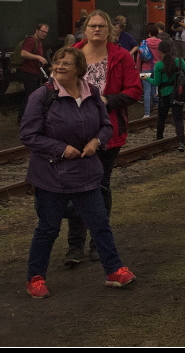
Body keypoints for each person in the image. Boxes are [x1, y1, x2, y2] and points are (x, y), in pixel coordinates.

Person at [19, 46, 136, 298]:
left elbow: (106, 125)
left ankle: (114, 270)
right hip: (51, 177)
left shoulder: (92, 93)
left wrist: (97, 142)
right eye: (57, 62)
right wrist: (61, 149)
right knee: (48, 228)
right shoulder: (42, 96)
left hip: (86, 173)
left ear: (79, 69)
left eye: (66, 63)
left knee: (100, 223)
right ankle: (35, 278)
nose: (59, 66)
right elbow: (28, 135)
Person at [67, 10, 143, 266]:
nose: (96, 30)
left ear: (108, 30)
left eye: (101, 26)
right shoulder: (73, 55)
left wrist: (108, 100)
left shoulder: (120, 56)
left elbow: (134, 90)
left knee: (100, 186)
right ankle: (74, 247)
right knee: (76, 188)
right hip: (74, 133)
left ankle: (98, 243)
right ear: (85, 30)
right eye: (92, 26)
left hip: (108, 133)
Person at [152, 39, 185, 151]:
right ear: (171, 49)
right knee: (178, 119)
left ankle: (159, 138)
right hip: (178, 94)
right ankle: (181, 142)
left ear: (159, 51)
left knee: (161, 118)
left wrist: (146, 78)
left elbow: (156, 82)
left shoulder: (159, 65)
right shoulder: (180, 61)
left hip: (164, 95)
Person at [17, 22, 50, 121]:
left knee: (31, 96)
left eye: (46, 32)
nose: (44, 34)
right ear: (36, 30)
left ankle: (26, 117)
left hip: (35, 73)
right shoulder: (31, 41)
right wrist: (38, 57)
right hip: (29, 73)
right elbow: (23, 53)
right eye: (42, 31)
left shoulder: (39, 42)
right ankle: (22, 118)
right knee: (30, 96)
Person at [139, 23, 162, 119]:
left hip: (145, 69)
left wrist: (138, 69)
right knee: (156, 88)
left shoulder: (144, 42)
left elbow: (139, 57)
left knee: (147, 91)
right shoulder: (161, 42)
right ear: (157, 33)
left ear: (149, 33)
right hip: (158, 68)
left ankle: (147, 113)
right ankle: (157, 104)